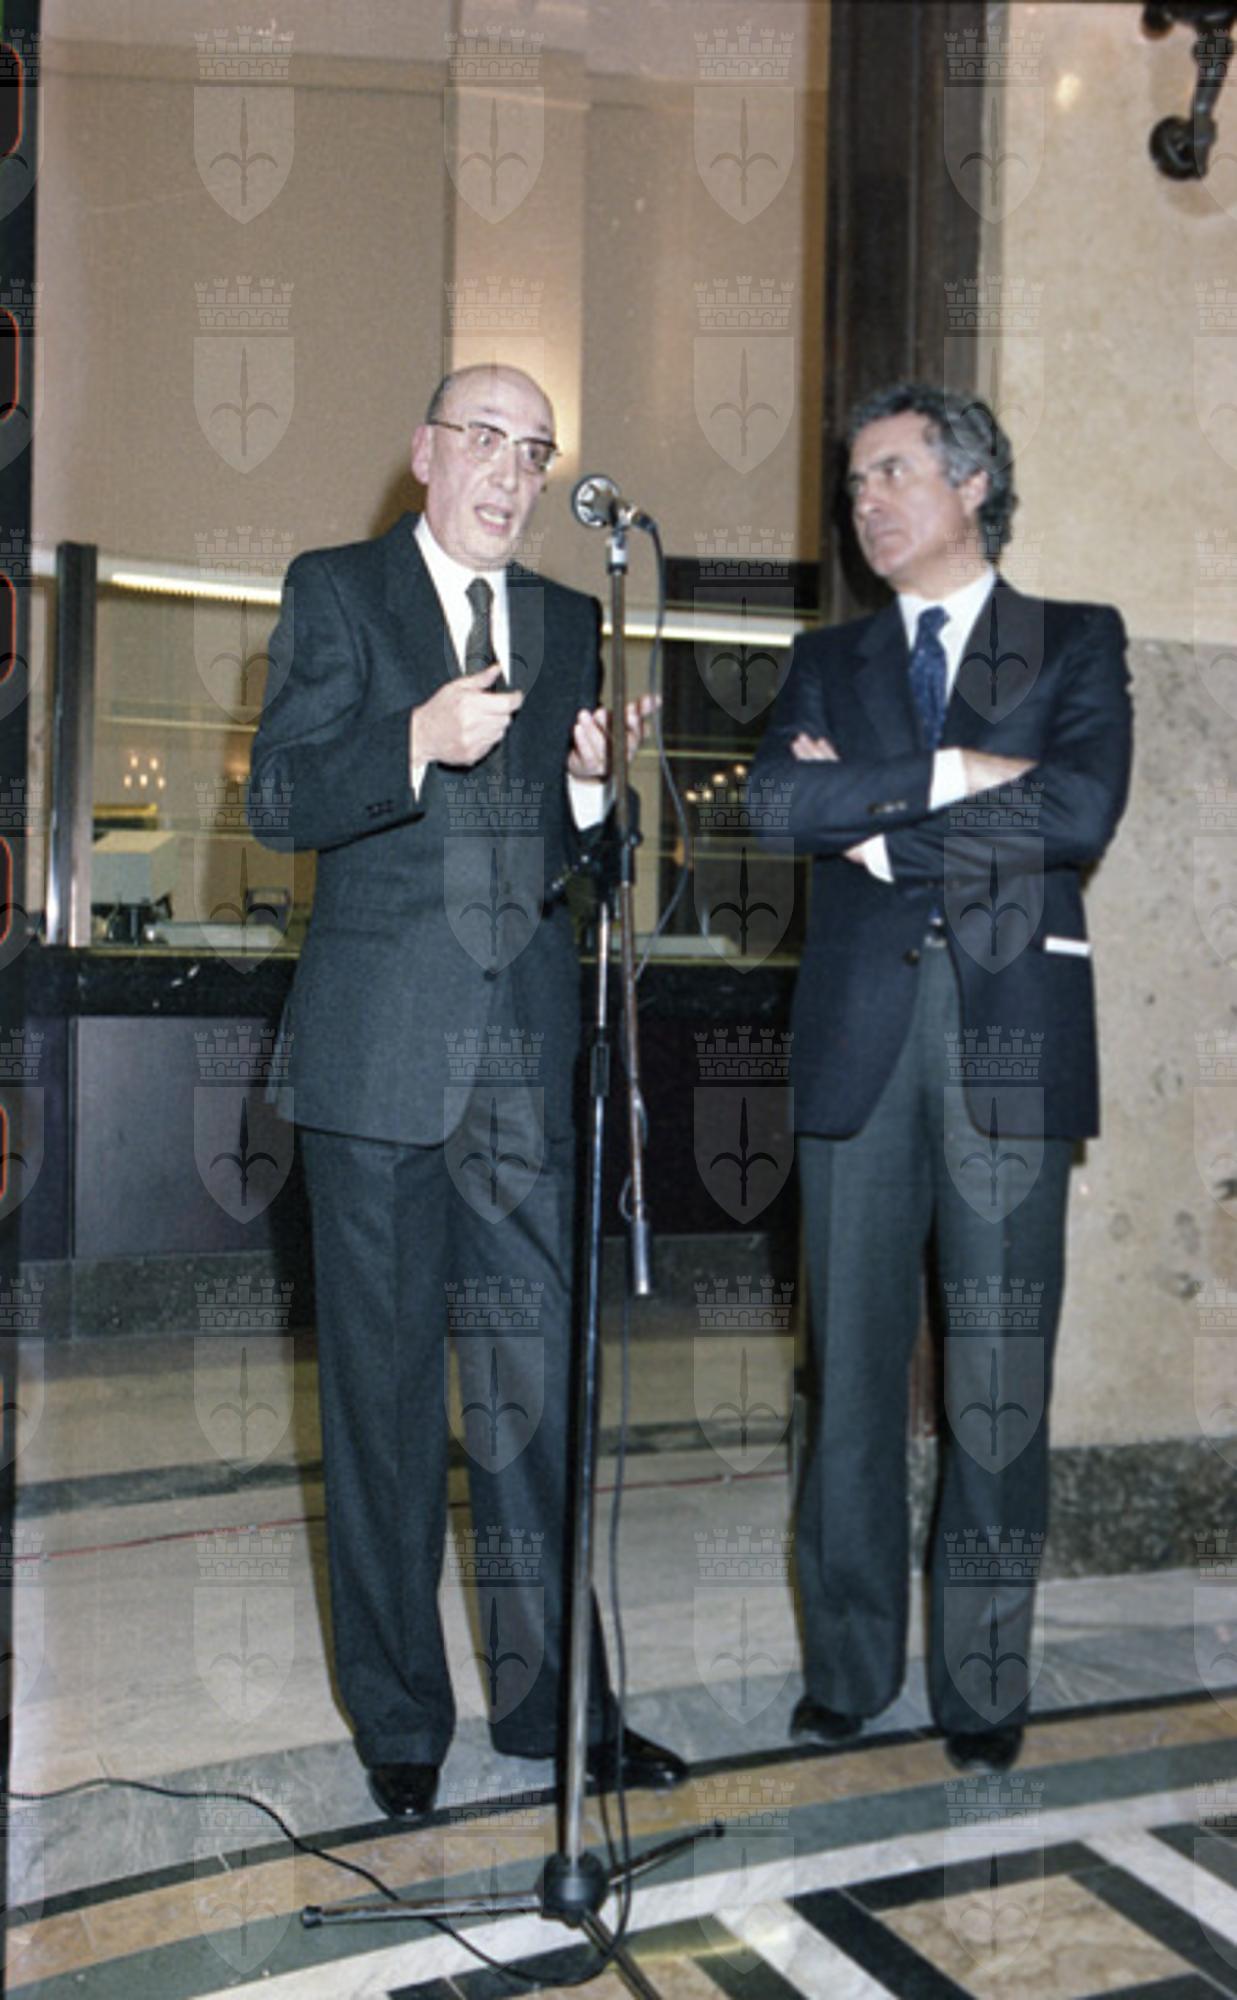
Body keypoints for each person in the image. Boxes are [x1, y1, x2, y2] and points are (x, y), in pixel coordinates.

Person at [249, 363, 683, 1821]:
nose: (511, 470)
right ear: (425, 452)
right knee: (380, 1410)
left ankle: (555, 1710)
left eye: (535, 450)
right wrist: (411, 744)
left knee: (531, 1407)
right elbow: (276, 799)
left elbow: (591, 867)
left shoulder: (566, 622)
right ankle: (399, 1721)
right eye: (485, 438)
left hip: (521, 1072)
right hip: (376, 1061)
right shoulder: (338, 590)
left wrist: (587, 793)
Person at [752, 383, 1131, 1773]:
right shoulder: (827, 657)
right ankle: (846, 1672)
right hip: (856, 1049)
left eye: (894, 472)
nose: (866, 501)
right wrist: (964, 771)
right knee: (847, 1378)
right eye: (856, 482)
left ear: (972, 484)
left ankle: (981, 1688)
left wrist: (877, 822)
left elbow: (1078, 807)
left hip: (1010, 1045)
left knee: (997, 1384)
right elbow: (775, 804)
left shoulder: (1073, 639)